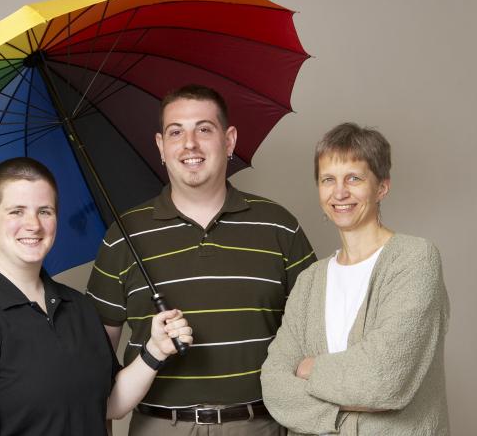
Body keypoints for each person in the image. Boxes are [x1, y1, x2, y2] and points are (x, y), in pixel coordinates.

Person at [86, 84, 316, 435]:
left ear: (229, 140)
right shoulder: (124, 235)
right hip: (159, 426)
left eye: (204, 129)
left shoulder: (279, 226)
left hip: (259, 425)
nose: (189, 144)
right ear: (161, 147)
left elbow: (319, 337)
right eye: (176, 132)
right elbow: (93, 363)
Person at [0, 157, 193, 436]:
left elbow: (109, 405)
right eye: (17, 211)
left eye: (45, 211)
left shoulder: (78, 307)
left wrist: (155, 351)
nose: (33, 225)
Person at [260, 123, 450, 435]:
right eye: (328, 180)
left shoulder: (415, 259)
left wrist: (309, 368)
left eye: (354, 178)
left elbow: (384, 377)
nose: (339, 192)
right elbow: (275, 387)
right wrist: (352, 409)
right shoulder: (309, 281)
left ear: (382, 187)